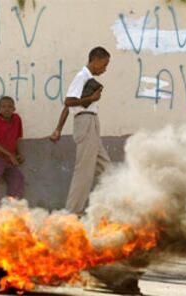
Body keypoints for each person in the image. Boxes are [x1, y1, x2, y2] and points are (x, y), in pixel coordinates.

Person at [59, 46, 111, 215]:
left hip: (92, 121)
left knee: (107, 168)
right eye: (104, 64)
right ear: (95, 60)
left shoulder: (87, 77)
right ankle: (72, 212)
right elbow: (68, 101)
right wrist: (91, 98)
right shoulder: (82, 76)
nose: (105, 69)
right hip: (85, 121)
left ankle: (116, 208)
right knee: (84, 171)